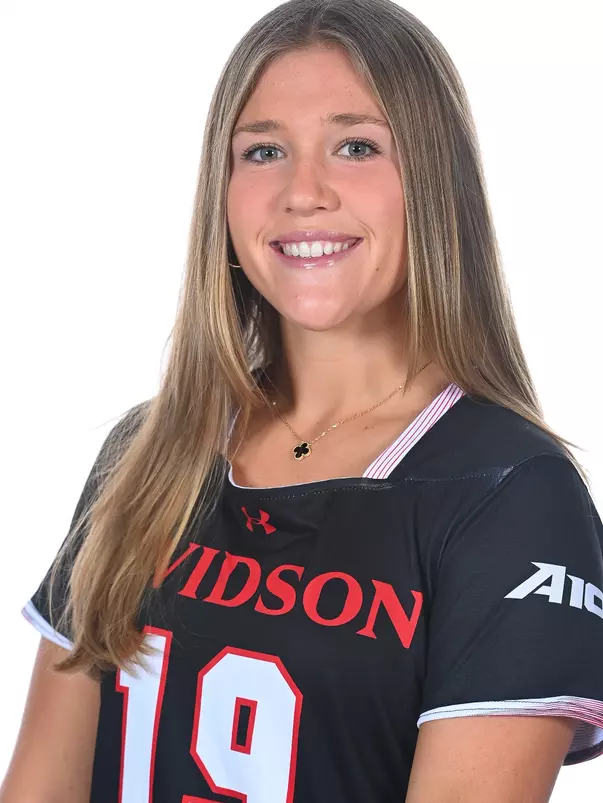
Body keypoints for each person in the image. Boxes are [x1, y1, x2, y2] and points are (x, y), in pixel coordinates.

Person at [2, 0, 603, 801]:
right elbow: (39, 787)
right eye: (262, 151)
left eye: (356, 146)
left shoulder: (510, 494)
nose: (302, 191)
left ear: (431, 181)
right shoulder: (144, 454)